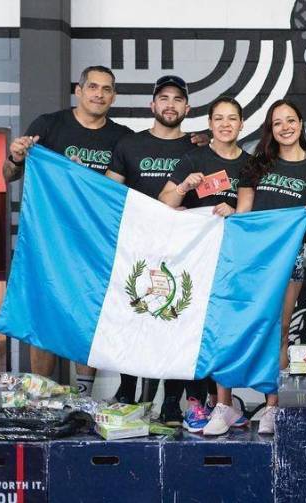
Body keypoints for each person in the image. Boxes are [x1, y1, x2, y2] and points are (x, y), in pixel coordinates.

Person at [4, 65, 134, 397]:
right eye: (93, 87)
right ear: (79, 90)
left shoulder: (122, 137)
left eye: (106, 89)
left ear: (114, 96)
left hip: (94, 241)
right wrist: (16, 157)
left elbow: (128, 190)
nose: (99, 94)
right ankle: (40, 398)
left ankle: (84, 396)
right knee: (44, 313)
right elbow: (9, 174)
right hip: (47, 239)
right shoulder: (49, 125)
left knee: (87, 312)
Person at [235, 99, 306, 434]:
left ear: (301, 124)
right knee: (242, 326)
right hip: (254, 258)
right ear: (271, 129)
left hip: (290, 259)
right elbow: (244, 214)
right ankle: (224, 403)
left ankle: (272, 406)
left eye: (290, 120)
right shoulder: (257, 165)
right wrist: (228, 214)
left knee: (279, 330)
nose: (285, 127)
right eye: (277, 123)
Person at [105, 75, 198, 424]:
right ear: (153, 105)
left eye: (177, 99)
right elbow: (109, 194)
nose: (170, 105)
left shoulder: (197, 148)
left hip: (185, 249)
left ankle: (172, 401)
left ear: (187, 108)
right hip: (138, 246)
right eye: (164, 98)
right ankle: (127, 390)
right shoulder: (129, 145)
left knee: (176, 319)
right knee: (134, 316)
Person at [159, 96, 250, 435]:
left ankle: (220, 401)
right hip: (194, 260)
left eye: (232, 118)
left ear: (241, 124)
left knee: (223, 330)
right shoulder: (193, 158)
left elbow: (255, 211)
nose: (226, 124)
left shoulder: (250, 164)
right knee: (193, 327)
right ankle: (195, 403)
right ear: (210, 124)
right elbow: (164, 202)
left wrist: (235, 212)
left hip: (233, 260)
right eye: (219, 118)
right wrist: (185, 187)